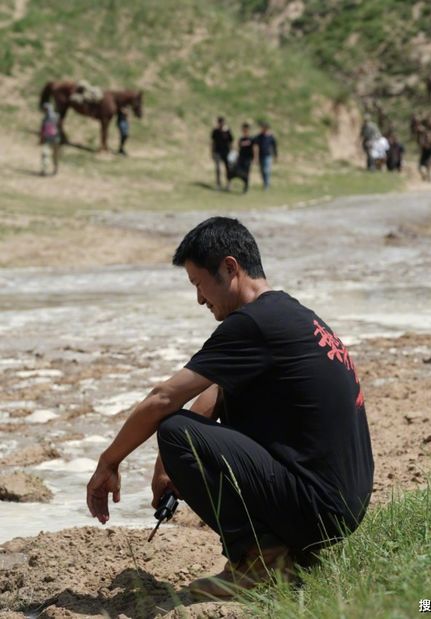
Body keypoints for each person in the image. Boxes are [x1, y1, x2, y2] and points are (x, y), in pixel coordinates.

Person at [86, 217, 374, 599]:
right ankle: (288, 554)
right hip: (342, 506)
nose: (200, 299)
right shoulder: (289, 315)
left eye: (198, 284)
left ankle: (260, 563)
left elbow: (162, 399)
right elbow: (217, 390)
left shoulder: (252, 325)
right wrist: (168, 466)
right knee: (190, 428)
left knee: (173, 429)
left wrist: (109, 463)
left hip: (318, 508)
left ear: (229, 268)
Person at [228, 122, 254, 193]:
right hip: (241, 158)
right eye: (243, 129)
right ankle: (230, 184)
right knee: (236, 171)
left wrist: (255, 158)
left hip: (248, 158)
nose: (244, 130)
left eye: (246, 129)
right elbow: (238, 148)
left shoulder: (252, 139)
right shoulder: (241, 139)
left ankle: (246, 187)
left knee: (246, 173)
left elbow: (255, 149)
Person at [253, 121, 277, 189]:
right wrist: (256, 157)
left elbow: (274, 146)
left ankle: (266, 185)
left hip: (268, 156)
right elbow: (255, 146)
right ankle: (265, 183)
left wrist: (275, 155)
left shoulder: (270, 136)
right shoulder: (259, 136)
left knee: (266, 170)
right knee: (262, 171)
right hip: (260, 156)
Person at [211, 116, 233, 190]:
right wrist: (212, 152)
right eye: (220, 122)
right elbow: (213, 142)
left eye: (222, 122)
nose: (221, 124)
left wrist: (231, 152)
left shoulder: (227, 131)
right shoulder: (215, 131)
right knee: (218, 168)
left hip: (226, 152)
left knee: (228, 168)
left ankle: (229, 183)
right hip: (217, 152)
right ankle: (218, 184)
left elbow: (231, 142)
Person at [40, 102, 60, 176]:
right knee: (54, 155)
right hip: (55, 138)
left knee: (45, 154)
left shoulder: (45, 119)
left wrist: (41, 139)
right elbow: (59, 128)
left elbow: (42, 130)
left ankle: (45, 170)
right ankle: (55, 169)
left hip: (48, 139)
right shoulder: (56, 117)